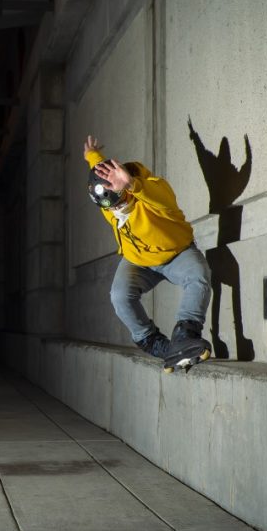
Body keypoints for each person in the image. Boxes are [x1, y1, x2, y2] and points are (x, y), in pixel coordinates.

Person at [83, 134, 212, 368]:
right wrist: (92, 154)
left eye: (122, 203)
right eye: (113, 208)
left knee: (199, 275)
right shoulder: (108, 199)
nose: (118, 210)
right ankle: (153, 342)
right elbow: (99, 167)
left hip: (177, 253)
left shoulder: (154, 193)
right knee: (119, 296)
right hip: (137, 261)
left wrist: (131, 184)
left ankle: (186, 333)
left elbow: (158, 195)